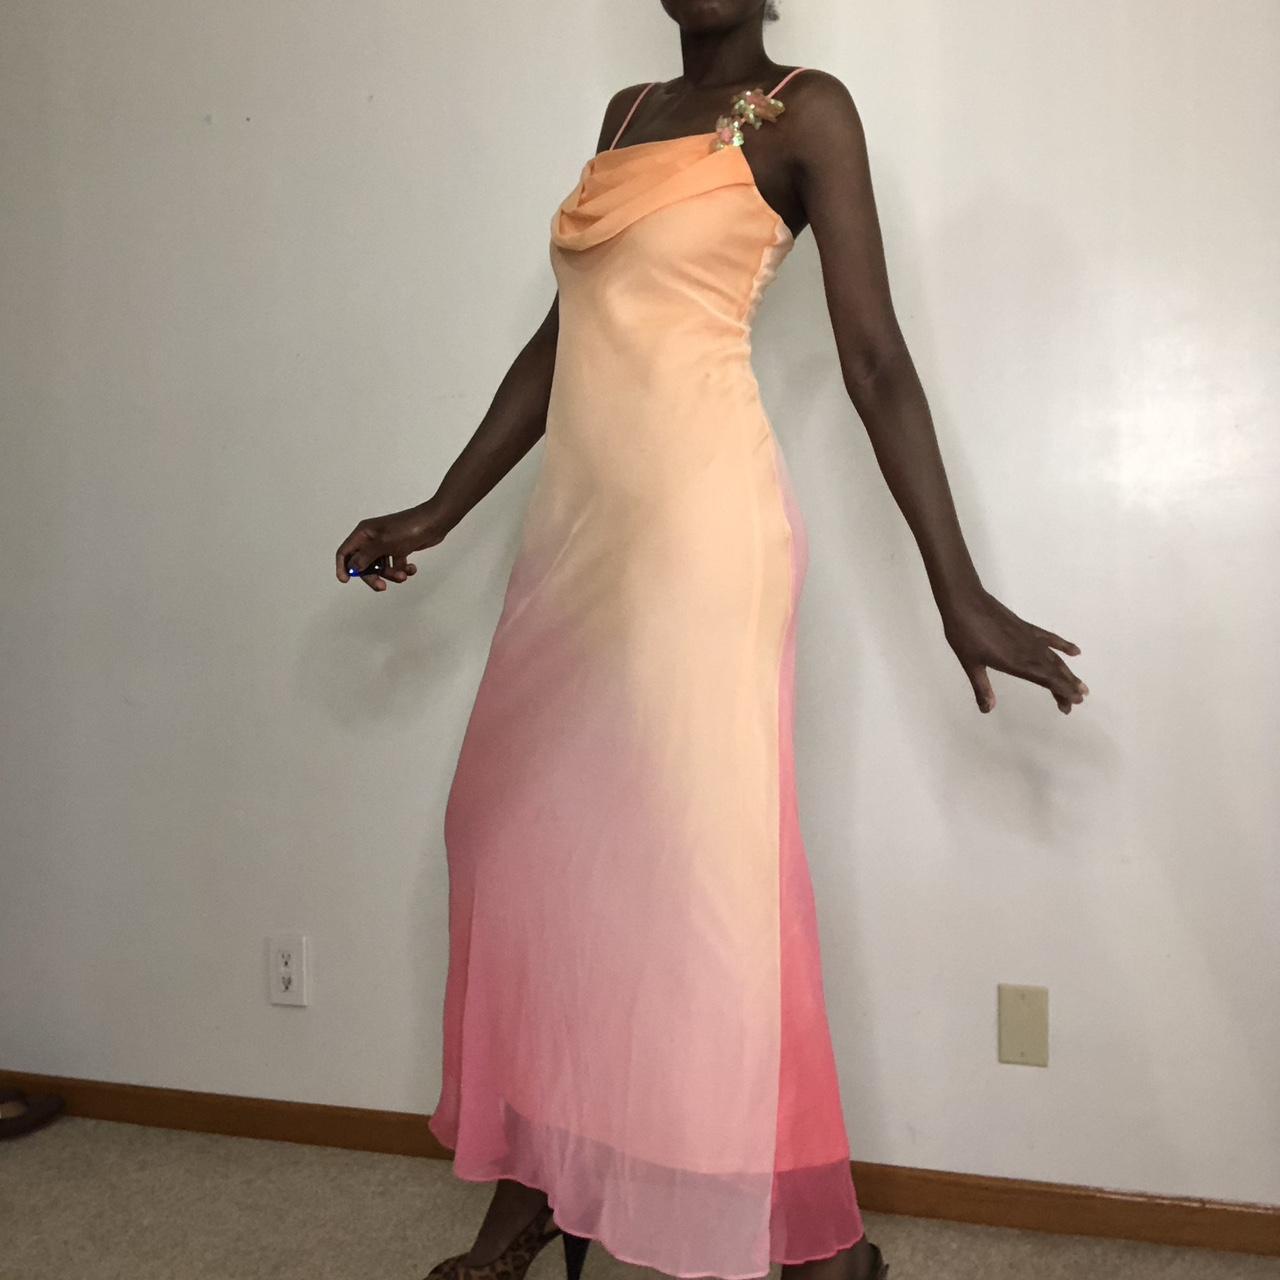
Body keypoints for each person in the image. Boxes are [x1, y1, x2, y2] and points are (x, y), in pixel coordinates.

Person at [335, 3, 1089, 1279]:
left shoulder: (807, 111)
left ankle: (813, 1240)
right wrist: (440, 508)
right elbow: (567, 336)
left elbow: (872, 358)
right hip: (576, 537)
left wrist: (955, 589)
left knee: (704, 888)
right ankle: (543, 1185)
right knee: (516, 847)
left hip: (701, 534)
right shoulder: (624, 115)